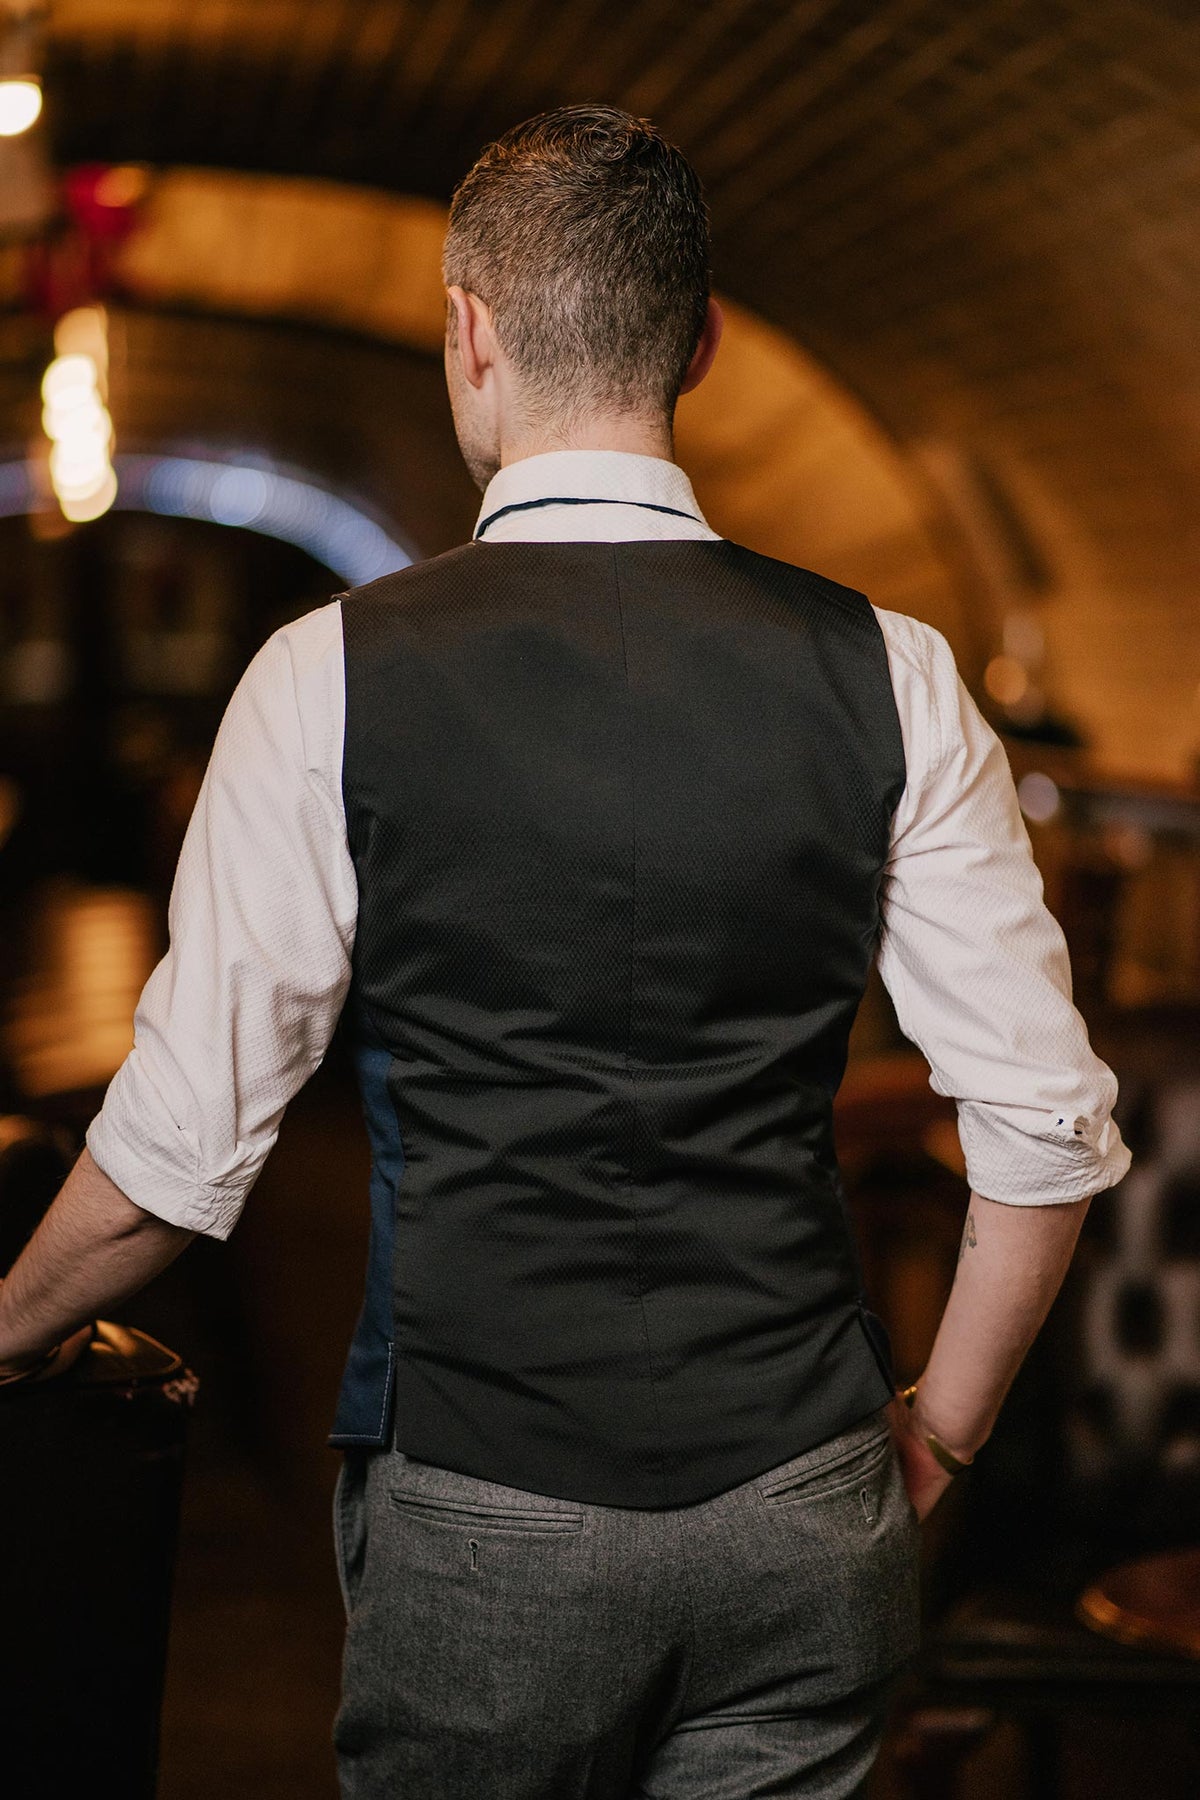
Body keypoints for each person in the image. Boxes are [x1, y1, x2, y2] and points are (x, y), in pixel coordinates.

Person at [0, 104, 1131, 1799]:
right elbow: (1043, 1129)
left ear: (469, 333)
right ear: (702, 342)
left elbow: (175, 1162)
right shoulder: (891, 670)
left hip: (486, 1501)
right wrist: (938, 1437)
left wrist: (6, 1324)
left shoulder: (328, 677)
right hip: (806, 1495)